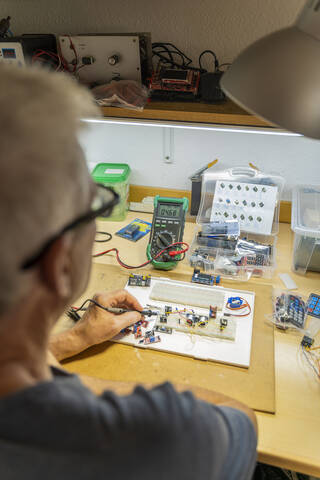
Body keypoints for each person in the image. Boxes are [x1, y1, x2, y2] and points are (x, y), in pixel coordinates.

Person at [0, 64, 257, 480]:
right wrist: (60, 377)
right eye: (96, 204)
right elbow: (239, 419)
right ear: (58, 264)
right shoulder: (161, 434)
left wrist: (69, 343)